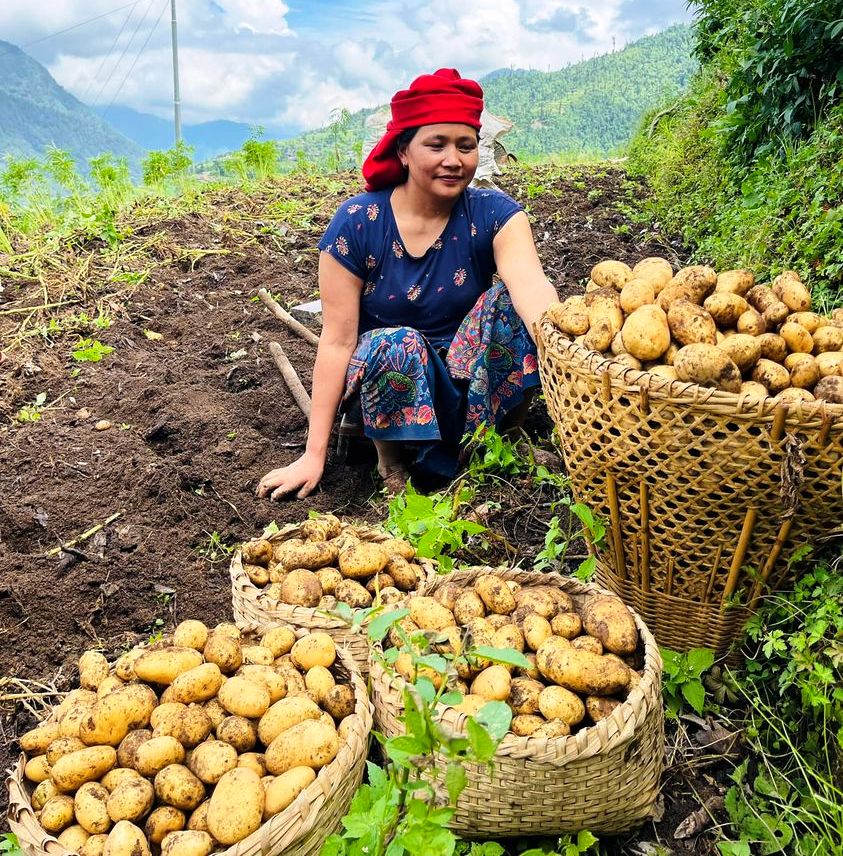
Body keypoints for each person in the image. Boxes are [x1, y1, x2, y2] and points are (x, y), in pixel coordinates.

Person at [257, 68, 558, 500]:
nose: (453, 159)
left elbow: (533, 291)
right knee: (395, 342)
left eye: (465, 145)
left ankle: (502, 441)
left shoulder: (495, 213)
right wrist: (312, 454)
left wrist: (573, 359)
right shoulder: (359, 222)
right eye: (436, 145)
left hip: (468, 382)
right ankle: (392, 466)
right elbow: (338, 341)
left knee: (510, 305)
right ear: (403, 150)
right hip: (393, 387)